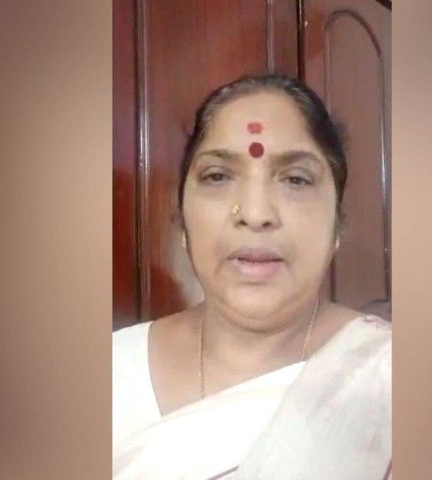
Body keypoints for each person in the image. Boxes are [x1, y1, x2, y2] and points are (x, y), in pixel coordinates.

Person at [112, 74, 391, 479]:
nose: (256, 213)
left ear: (338, 225)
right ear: (183, 220)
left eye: (295, 179)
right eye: (218, 176)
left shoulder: (389, 381)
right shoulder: (107, 375)